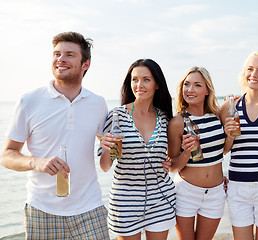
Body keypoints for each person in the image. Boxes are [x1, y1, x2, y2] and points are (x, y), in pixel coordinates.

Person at [1, 32, 110, 239]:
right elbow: (7, 155)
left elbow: (106, 151)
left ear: (85, 64)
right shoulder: (29, 101)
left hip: (90, 208)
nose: (60, 59)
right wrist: (36, 162)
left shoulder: (98, 103)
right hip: (41, 210)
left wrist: (112, 146)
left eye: (69, 54)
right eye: (57, 54)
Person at [99, 59, 176, 240]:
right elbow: (104, 166)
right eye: (135, 80)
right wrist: (106, 147)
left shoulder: (165, 118)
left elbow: (173, 157)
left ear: (157, 84)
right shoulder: (116, 116)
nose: (139, 85)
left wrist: (170, 162)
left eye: (146, 79)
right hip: (125, 202)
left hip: (161, 198)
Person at [219, 50, 258, 240]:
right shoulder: (229, 107)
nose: (254, 74)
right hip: (237, 188)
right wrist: (229, 136)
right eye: (250, 69)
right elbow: (222, 151)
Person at [165, 66, 227, 240]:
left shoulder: (217, 115)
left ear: (207, 90)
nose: (190, 90)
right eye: (187, 84)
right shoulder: (177, 122)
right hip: (186, 192)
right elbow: (172, 167)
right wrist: (186, 152)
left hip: (215, 192)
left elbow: (223, 150)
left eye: (197, 85)